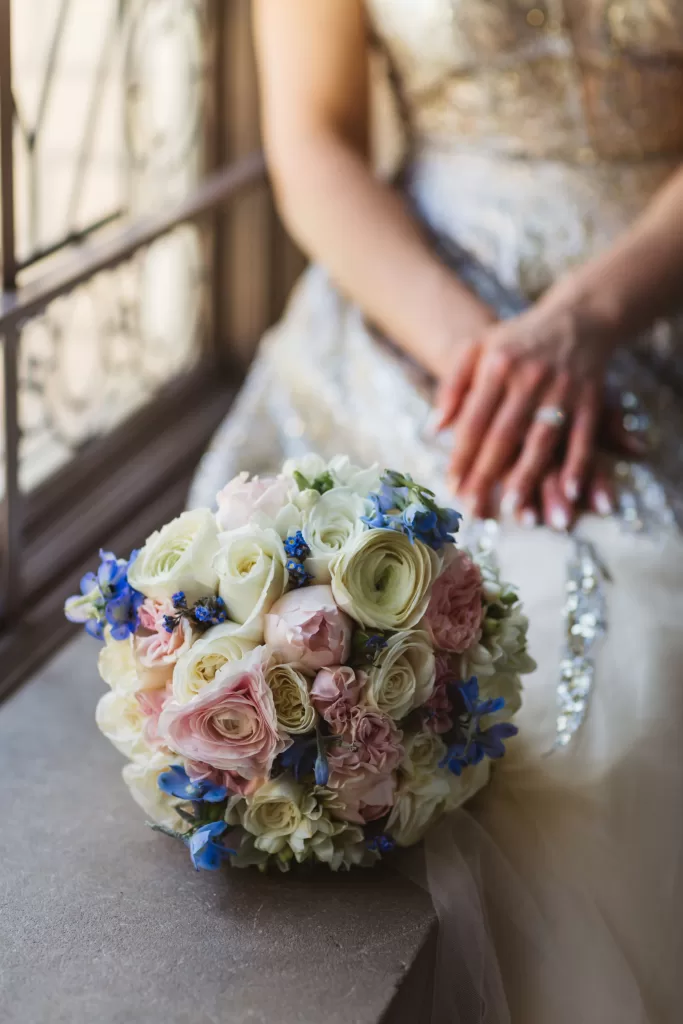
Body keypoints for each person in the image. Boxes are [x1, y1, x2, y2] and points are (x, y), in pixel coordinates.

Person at [190, 3, 683, 1021]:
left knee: (629, 670)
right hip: (419, 304)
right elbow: (313, 137)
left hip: (653, 281)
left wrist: (584, 320)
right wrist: (487, 365)